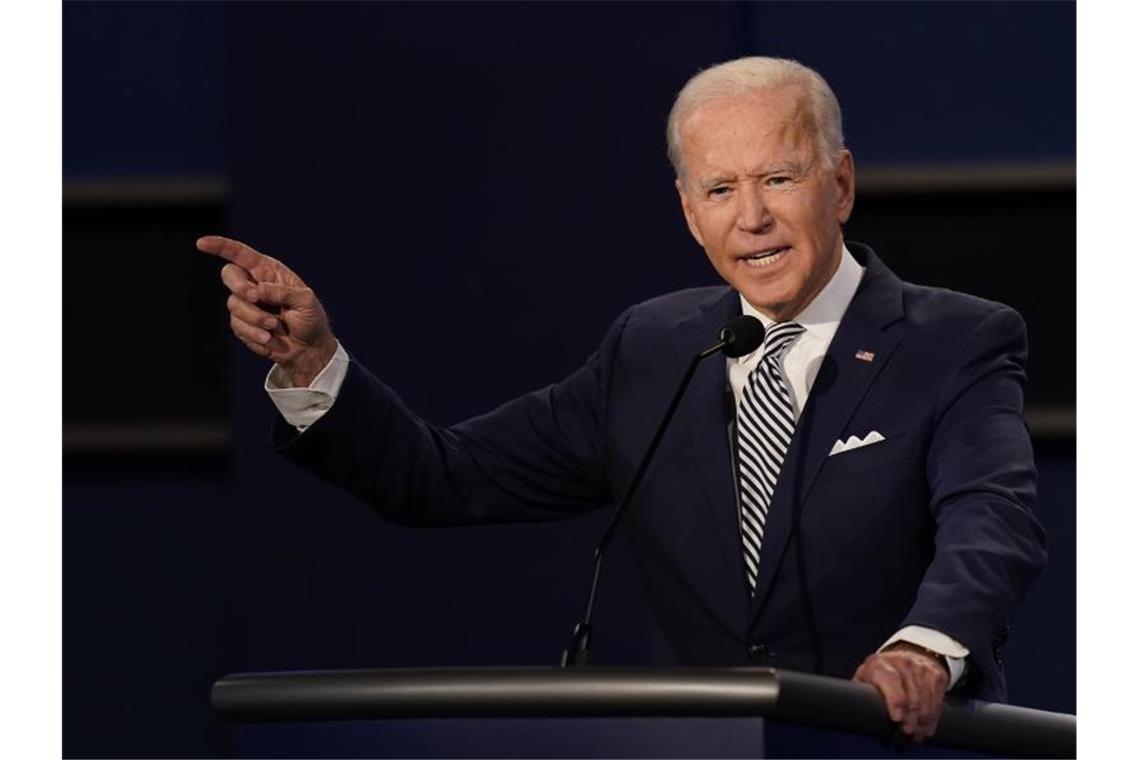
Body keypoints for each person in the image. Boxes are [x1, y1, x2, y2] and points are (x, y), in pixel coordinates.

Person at [198, 57, 1047, 742]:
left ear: (841, 185)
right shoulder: (653, 348)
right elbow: (441, 476)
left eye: (778, 178)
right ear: (688, 213)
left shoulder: (953, 341)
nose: (750, 218)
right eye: (719, 191)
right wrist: (315, 365)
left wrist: (924, 650)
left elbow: (993, 521)